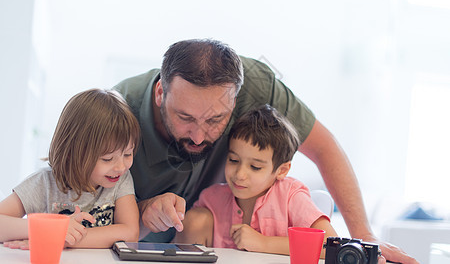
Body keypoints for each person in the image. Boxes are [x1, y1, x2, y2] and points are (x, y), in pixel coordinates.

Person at [114, 38, 417, 263]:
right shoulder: (117, 110)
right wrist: (141, 211)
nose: (198, 135)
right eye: (184, 118)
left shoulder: (257, 86)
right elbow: (86, 210)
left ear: (236, 101)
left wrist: (363, 234)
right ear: (159, 94)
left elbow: (324, 149)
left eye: (216, 120)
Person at [175, 105, 338, 257]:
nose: (240, 174)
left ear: (281, 170)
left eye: (255, 167)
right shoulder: (212, 199)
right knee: (194, 219)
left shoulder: (290, 196)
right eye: (233, 160)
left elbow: (332, 246)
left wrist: (264, 243)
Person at [0, 88, 141, 249]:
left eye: (128, 154)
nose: (121, 166)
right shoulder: (43, 183)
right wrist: (46, 229)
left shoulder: (120, 180)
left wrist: (60, 239)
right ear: (71, 153)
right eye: (107, 159)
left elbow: (130, 233)